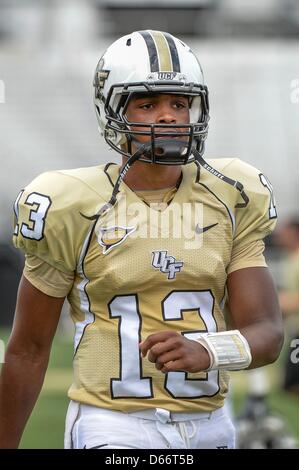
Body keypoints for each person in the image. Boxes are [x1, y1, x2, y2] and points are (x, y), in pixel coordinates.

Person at [0, 30, 283, 449]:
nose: (168, 116)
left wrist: (208, 349)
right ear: (112, 111)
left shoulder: (232, 196)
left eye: (179, 103)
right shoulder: (70, 205)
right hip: (113, 425)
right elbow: (28, 349)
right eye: (148, 104)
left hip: (211, 424)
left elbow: (267, 332)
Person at [275, 219, 299, 396]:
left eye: (284, 231)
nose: (280, 235)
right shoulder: (290, 259)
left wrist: (279, 303)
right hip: (294, 330)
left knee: (292, 383)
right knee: (289, 384)